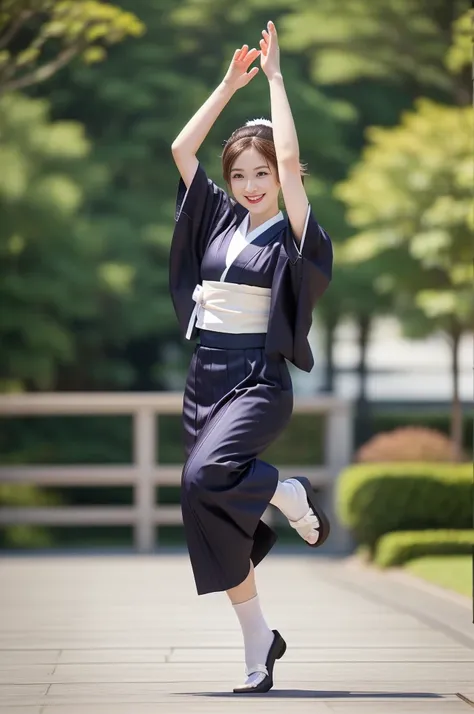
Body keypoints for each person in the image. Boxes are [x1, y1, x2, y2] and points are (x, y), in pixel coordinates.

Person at [169, 21, 333, 694]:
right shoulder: (218, 218)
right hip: (205, 376)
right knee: (206, 502)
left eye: (260, 173)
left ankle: (286, 492)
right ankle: (258, 639)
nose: (249, 184)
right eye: (239, 174)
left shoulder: (292, 229)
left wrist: (274, 80)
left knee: (207, 476)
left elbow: (291, 162)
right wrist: (227, 85)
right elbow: (181, 149)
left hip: (258, 380)